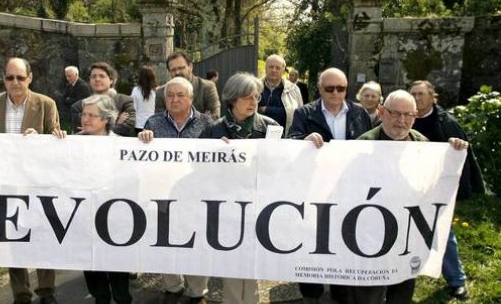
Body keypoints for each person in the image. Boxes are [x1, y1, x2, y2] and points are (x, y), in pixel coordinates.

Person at [352, 89, 470, 304]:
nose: (401, 120)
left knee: (402, 290)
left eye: (408, 115)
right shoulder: (363, 145)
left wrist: (452, 152)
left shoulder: (423, 145)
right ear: (381, 112)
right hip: (371, 233)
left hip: (407, 235)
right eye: (395, 113)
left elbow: (436, 183)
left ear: (415, 117)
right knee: (369, 293)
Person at [0, 57, 63, 304]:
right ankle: (20, 293)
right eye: (10, 77)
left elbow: (56, 145)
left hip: (37, 183)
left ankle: (47, 291)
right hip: (5, 183)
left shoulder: (46, 104)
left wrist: (41, 139)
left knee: (43, 235)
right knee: (13, 237)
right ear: (3, 79)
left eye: (20, 77)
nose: (15, 82)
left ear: (30, 78)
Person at [287, 67, 372, 303]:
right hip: (315, 189)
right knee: (311, 241)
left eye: (341, 88)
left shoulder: (359, 113)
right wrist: (303, 141)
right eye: (329, 88)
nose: (336, 93)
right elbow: (290, 141)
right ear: (319, 88)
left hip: (350, 190)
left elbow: (371, 145)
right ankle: (310, 294)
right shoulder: (304, 113)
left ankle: (341, 293)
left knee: (344, 240)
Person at [199, 72, 279, 304]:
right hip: (226, 208)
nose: (254, 102)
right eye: (247, 97)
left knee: (253, 264)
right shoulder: (213, 131)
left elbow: (280, 167)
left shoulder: (270, 128)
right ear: (233, 99)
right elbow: (199, 172)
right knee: (231, 264)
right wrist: (214, 154)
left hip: (257, 205)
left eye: (256, 96)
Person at [137, 77, 213, 304]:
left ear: (191, 98)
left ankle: (197, 292)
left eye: (181, 95)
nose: (175, 99)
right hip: (163, 195)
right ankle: (173, 287)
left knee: (197, 243)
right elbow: (141, 159)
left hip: (196, 195)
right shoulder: (153, 122)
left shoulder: (208, 123)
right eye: (170, 95)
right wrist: (142, 139)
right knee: (165, 240)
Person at [409, 80, 484, 300]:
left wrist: (456, 146)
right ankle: (394, 279)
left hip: (436, 189)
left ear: (433, 97)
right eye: (413, 93)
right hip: (406, 186)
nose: (416, 98)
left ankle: (457, 280)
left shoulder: (446, 123)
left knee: (442, 232)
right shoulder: (402, 117)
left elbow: (461, 157)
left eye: (421, 94)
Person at [77, 94, 133, 304]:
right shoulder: (71, 145)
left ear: (106, 119)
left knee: (118, 272)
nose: (86, 119)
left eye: (92, 115)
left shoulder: (123, 147)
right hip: (84, 218)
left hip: (116, 219)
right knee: (92, 268)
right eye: (84, 114)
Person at [70, 62, 136, 137]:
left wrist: (96, 129)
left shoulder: (125, 101)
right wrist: (117, 123)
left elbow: (127, 129)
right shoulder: (78, 106)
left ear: (111, 80)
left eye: (102, 76)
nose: (97, 79)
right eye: (93, 76)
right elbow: (80, 133)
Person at [155, 52, 221, 119]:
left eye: (181, 68)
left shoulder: (207, 87)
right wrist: (203, 118)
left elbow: (214, 118)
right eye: (173, 70)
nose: (177, 72)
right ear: (169, 72)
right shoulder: (161, 93)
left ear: (190, 67)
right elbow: (159, 122)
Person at [258, 55, 303, 136]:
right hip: (258, 137)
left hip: (285, 138)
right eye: (271, 67)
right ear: (265, 68)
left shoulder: (293, 89)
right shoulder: (255, 86)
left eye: (277, 68)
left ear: (283, 70)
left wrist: (266, 109)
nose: (274, 70)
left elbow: (299, 114)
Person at [130, 66, 158, 133]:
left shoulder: (135, 90)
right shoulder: (155, 91)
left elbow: (134, 108)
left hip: (139, 124)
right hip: (153, 122)